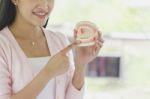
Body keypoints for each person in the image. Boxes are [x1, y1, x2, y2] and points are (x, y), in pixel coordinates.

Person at [0, 0, 104, 99]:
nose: (45, 4)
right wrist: (47, 73)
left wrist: (80, 65)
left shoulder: (60, 40)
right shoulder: (3, 45)